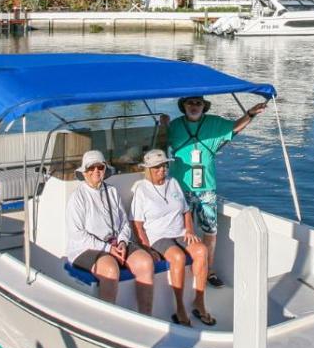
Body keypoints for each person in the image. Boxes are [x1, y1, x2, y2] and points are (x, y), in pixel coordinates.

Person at [162, 94, 267, 287]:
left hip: (207, 189)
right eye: (190, 103)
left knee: (210, 231)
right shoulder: (174, 126)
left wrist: (251, 113)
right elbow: (159, 145)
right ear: (184, 106)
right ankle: (181, 268)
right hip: (180, 189)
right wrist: (163, 126)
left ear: (204, 106)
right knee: (179, 230)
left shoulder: (214, 123)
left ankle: (208, 270)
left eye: (198, 103)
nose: (194, 106)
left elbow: (235, 126)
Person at [64, 150, 156, 313]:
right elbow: (77, 235)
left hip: (114, 243)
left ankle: (146, 316)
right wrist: (108, 249)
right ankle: (107, 320)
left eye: (100, 167)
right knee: (110, 269)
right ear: (84, 172)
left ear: (105, 169)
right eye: (91, 168)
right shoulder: (77, 197)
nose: (96, 171)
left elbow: (124, 223)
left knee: (145, 262)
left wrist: (122, 242)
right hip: (84, 249)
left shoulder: (112, 191)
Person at [130, 149, 212, 326]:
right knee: (178, 257)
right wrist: (147, 248)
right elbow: (137, 224)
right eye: (157, 167)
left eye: (164, 165)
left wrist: (189, 230)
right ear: (148, 169)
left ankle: (199, 301)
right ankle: (180, 307)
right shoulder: (141, 190)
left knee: (201, 250)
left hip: (179, 232)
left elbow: (186, 211)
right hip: (158, 236)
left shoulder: (173, 182)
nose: (162, 169)